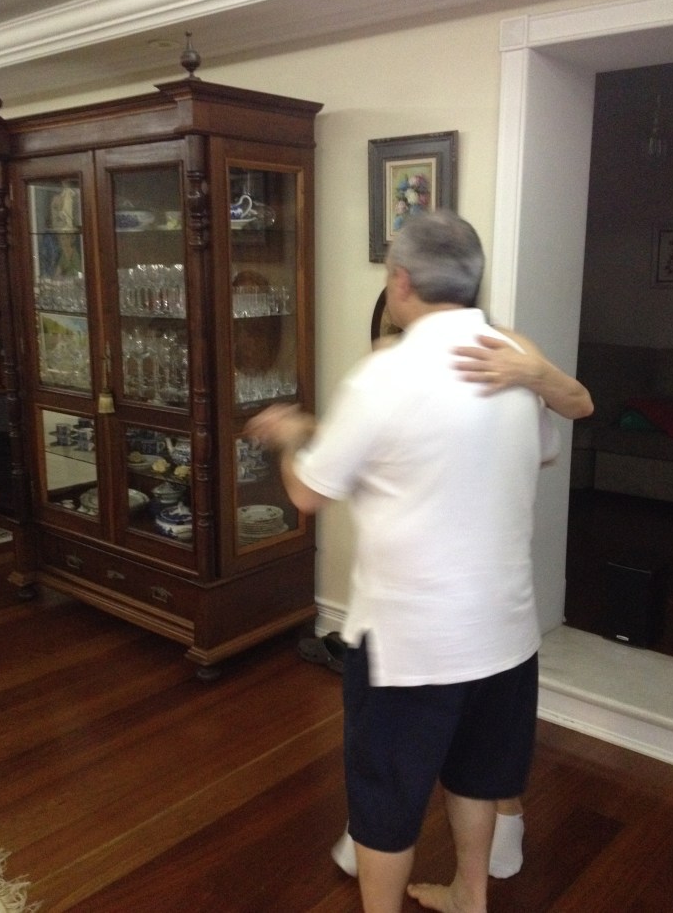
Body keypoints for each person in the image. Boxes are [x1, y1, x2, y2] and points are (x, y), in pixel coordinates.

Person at [245, 209, 574, 913]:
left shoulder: (383, 376)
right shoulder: (517, 366)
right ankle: (469, 895)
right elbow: (533, 450)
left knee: (385, 797)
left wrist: (289, 436)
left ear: (399, 281)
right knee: (477, 775)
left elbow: (307, 492)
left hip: (411, 642)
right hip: (506, 632)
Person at [329, 326, 593, 883]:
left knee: (477, 733)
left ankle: (500, 823)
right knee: (427, 735)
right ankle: (377, 832)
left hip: (484, 595)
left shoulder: (502, 350)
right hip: (425, 597)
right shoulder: (390, 372)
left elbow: (575, 406)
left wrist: (530, 380)